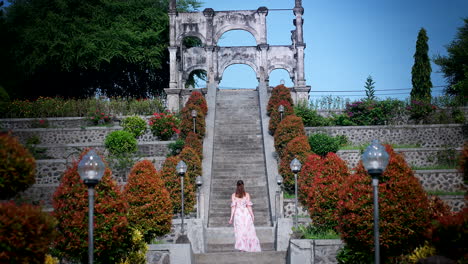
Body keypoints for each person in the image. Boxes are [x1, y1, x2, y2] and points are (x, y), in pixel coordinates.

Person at [228, 180, 261, 252]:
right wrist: (252, 215)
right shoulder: (247, 194)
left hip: (238, 214)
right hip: (246, 214)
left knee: (240, 231)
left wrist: (231, 218)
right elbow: (249, 206)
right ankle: (249, 247)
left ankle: (242, 248)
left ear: (237, 186)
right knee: (248, 230)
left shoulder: (233, 195)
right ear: (243, 186)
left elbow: (233, 207)